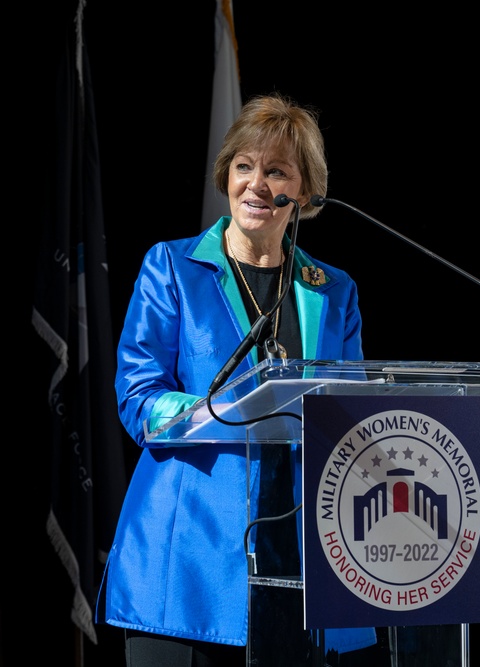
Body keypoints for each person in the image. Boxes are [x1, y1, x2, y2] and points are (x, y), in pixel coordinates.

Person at [96, 93, 379, 666]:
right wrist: (228, 408)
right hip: (187, 560)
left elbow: (351, 413)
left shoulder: (334, 290)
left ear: (305, 193)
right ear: (226, 175)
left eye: (276, 170)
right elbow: (138, 395)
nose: (255, 183)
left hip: (303, 556)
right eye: (243, 166)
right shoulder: (172, 267)